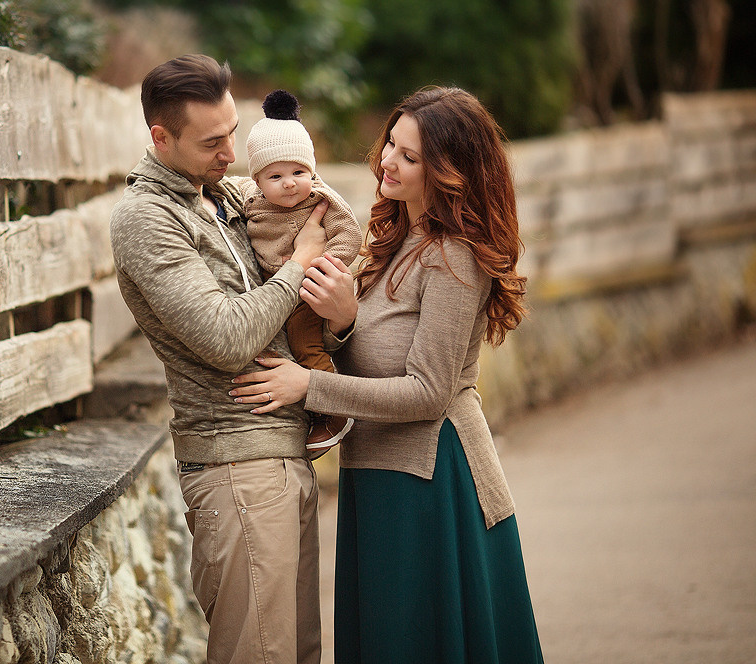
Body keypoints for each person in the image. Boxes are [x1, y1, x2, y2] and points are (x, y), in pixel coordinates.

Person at [230, 86, 545, 663]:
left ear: (448, 171)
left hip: (432, 479)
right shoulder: (394, 239)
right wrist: (345, 321)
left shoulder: (455, 256)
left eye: (409, 156)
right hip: (377, 473)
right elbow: (379, 353)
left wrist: (309, 386)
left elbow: (429, 393)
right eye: (390, 145)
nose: (387, 163)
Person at [110, 54, 329, 664]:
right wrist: (298, 265)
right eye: (213, 142)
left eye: (234, 131)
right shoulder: (147, 219)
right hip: (237, 468)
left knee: (298, 653)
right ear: (161, 137)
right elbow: (228, 338)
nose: (232, 153)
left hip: (284, 456)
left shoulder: (229, 197)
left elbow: (315, 206)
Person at [239, 89, 361, 459]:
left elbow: (350, 235)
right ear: (258, 180)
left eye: (299, 171)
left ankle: (334, 410)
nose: (290, 182)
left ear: (312, 170)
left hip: (309, 290)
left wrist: (321, 266)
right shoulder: (250, 200)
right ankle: (308, 409)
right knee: (278, 349)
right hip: (278, 290)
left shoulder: (320, 201)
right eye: (276, 175)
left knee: (305, 342)